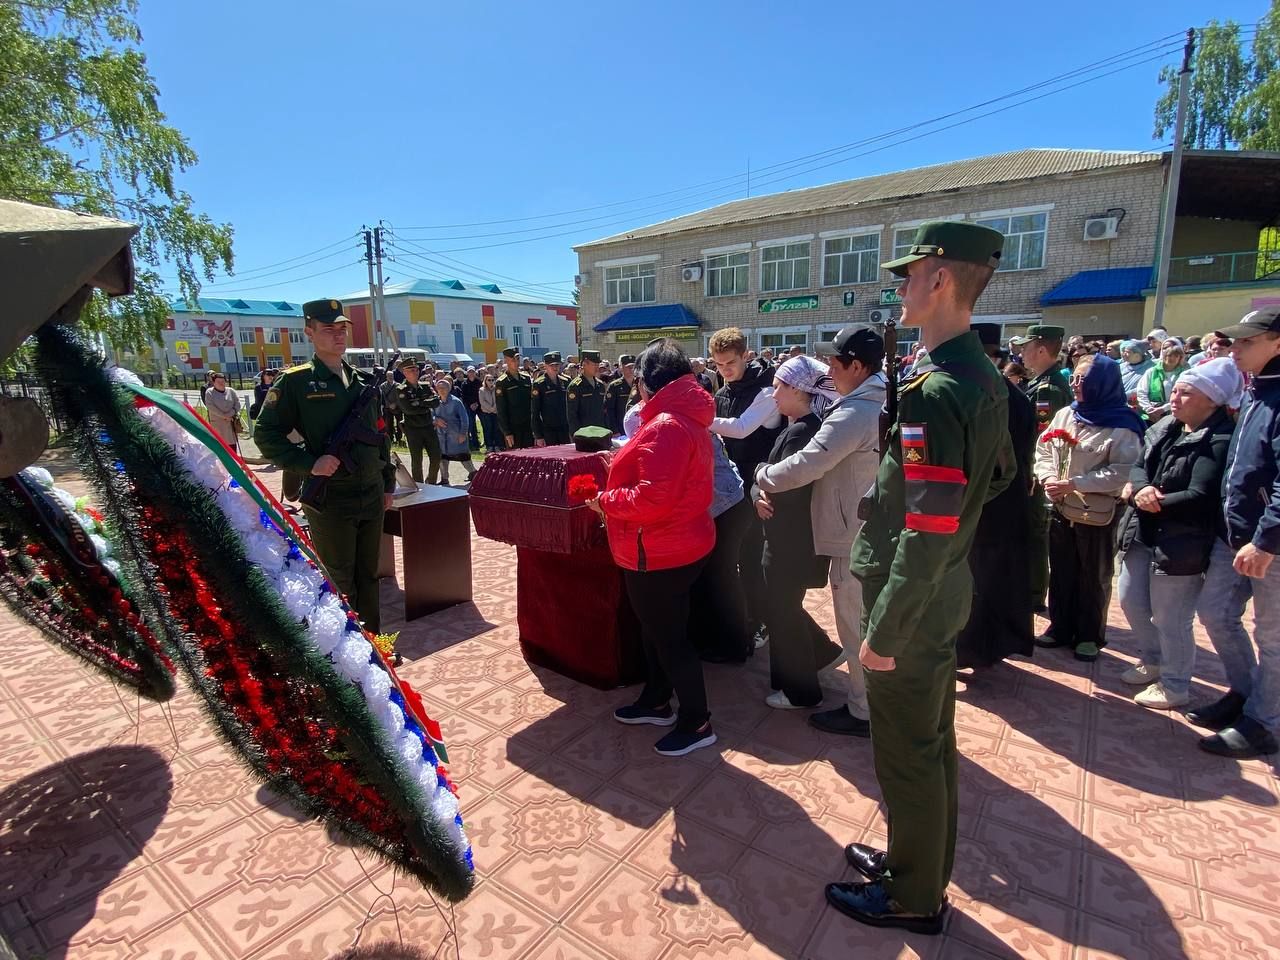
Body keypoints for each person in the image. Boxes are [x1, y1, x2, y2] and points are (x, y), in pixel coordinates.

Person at [829, 221, 1012, 934]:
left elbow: (928, 525)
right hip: (939, 593)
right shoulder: (977, 375)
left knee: (909, 754)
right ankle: (917, 863)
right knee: (931, 745)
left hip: (910, 603)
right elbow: (993, 484)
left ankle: (913, 896)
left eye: (909, 274)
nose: (900, 285)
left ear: (940, 279)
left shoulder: (939, 390)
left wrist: (884, 629)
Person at [587, 338, 717, 758]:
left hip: (659, 550)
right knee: (657, 631)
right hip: (676, 543)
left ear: (645, 383)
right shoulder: (678, 415)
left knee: (671, 639)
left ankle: (697, 722)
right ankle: (657, 700)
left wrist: (604, 500)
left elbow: (650, 500)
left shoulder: (666, 424)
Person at [753, 326, 884, 735]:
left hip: (853, 534)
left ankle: (864, 711)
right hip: (864, 524)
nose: (829, 369)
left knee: (855, 624)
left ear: (857, 366)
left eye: (835, 361)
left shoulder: (855, 411)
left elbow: (808, 463)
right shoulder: (872, 400)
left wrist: (762, 476)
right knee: (863, 623)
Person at [254, 298, 394, 633]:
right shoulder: (296, 382)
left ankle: (375, 646)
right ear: (310, 332)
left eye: (342, 327)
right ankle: (345, 652)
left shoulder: (362, 382)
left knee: (368, 575)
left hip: (371, 493)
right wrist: (309, 463)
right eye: (328, 328)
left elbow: (380, 436)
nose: (338, 334)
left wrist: (387, 482)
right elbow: (265, 434)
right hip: (331, 497)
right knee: (339, 579)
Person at [1117, 358, 1239, 709]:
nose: (1175, 397)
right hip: (1144, 527)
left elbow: (1202, 493)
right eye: (1176, 390)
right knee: (1130, 599)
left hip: (1182, 539)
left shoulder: (1219, 438)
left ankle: (1175, 683)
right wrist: (1141, 489)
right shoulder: (1169, 425)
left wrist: (1153, 499)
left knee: (1172, 616)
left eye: (1187, 392)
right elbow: (1139, 465)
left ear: (1211, 400)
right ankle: (1152, 659)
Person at [1191, 306, 1280, 758]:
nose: (1235, 350)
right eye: (1235, 342)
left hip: (1268, 542)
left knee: (1272, 634)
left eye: (1248, 342)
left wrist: (1267, 540)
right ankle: (1247, 696)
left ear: (1277, 344)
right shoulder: (1255, 391)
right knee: (1217, 613)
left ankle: (1266, 722)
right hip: (1236, 534)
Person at [1033, 354, 1143, 662]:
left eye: (1084, 380)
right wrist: (1049, 477)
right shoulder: (1067, 414)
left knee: (1093, 574)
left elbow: (1124, 470)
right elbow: (1043, 449)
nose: (1076, 386)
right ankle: (1060, 626)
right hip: (1060, 506)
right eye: (1075, 379)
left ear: (1103, 383)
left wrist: (1076, 483)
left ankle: (1089, 635)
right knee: (1062, 569)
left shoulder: (1122, 424)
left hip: (1097, 513)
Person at [751, 355, 845, 709]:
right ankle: (820, 654)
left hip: (789, 540)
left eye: (778, 387)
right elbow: (767, 477)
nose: (773, 394)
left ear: (797, 389)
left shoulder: (805, 431)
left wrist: (760, 480)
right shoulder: (799, 427)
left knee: (782, 612)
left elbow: (783, 484)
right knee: (782, 607)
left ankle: (801, 691)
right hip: (784, 535)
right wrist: (757, 489)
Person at [955, 323, 1037, 669]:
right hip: (1008, 499)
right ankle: (991, 646)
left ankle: (975, 649)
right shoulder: (1009, 392)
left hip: (987, 501)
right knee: (996, 577)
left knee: (980, 579)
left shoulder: (984, 394)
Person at [711, 326, 783, 649]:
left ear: (746, 356)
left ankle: (764, 621)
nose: (725, 370)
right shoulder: (724, 392)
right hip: (730, 489)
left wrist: (697, 416)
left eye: (731, 363)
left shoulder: (767, 391)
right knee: (736, 558)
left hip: (758, 489)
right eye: (719, 365)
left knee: (754, 559)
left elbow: (740, 429)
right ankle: (746, 616)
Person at [1009, 324, 1072, 612]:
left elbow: (1043, 437)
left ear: (1042, 349)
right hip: (1033, 470)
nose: (1021, 353)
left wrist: (1034, 471)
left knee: (1035, 534)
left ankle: (1033, 595)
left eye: (1026, 347)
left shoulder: (1048, 388)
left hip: (1038, 472)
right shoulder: (1041, 382)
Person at [395, 359, 442, 484]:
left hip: (428, 426)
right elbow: (408, 409)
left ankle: (431, 482)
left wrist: (419, 403)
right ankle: (419, 484)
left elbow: (436, 402)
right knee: (417, 460)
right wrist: (426, 404)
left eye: (416, 369)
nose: (415, 372)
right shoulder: (401, 389)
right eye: (411, 370)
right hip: (413, 428)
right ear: (404, 372)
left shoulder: (425, 386)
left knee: (436, 456)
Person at [433, 376, 476, 486]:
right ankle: (444, 478)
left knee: (463, 457)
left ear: (449, 388)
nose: (441, 390)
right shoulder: (435, 402)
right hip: (442, 437)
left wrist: (463, 433)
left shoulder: (456, 402)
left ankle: (474, 474)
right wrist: (436, 420)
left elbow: (464, 418)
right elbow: (430, 415)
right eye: (439, 388)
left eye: (444, 388)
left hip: (456, 435)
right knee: (443, 458)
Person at [1137, 338, 1189, 424]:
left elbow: (1183, 395)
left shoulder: (1184, 373)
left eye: (1176, 356)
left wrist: (1163, 409)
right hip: (1150, 414)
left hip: (1174, 415)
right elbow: (1141, 391)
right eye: (1169, 355)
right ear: (1163, 356)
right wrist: (1149, 409)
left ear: (1180, 358)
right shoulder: (1152, 371)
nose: (1171, 358)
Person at [494, 347, 534, 448]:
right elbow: (501, 410)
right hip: (513, 427)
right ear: (506, 361)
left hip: (528, 426)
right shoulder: (502, 382)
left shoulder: (526, 378)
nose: (516, 362)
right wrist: (507, 432)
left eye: (517, 359)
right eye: (513, 360)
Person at [531, 351, 572, 445]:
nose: (555, 367)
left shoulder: (566, 381)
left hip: (564, 428)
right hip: (548, 430)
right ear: (545, 365)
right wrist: (538, 436)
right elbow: (535, 412)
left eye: (557, 365)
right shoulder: (539, 384)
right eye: (552, 365)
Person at [567, 350, 609, 433]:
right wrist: (576, 434)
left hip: (600, 430)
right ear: (584, 365)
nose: (597, 367)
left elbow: (604, 410)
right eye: (594, 364)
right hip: (584, 432)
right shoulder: (575, 386)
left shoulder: (600, 385)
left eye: (598, 364)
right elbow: (572, 414)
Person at [203, 372, 242, 451]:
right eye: (218, 382)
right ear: (214, 382)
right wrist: (224, 416)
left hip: (230, 423)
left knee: (232, 446)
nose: (221, 384)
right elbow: (211, 407)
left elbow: (237, 404)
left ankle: (233, 462)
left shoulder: (231, 391)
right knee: (220, 445)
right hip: (218, 424)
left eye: (223, 381)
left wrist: (230, 414)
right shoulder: (209, 392)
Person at [605, 354, 637, 434]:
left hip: (637, 428)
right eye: (628, 367)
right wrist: (614, 430)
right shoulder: (614, 386)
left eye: (633, 366)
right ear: (621, 368)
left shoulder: (639, 384)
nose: (631, 369)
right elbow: (609, 410)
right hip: (620, 428)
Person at [478, 372, 501, 453]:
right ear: (485, 381)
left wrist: (494, 409)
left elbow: (498, 400)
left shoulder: (497, 389)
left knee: (496, 429)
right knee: (488, 430)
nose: (491, 381)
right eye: (489, 380)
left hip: (495, 412)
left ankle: (497, 446)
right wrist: (490, 409)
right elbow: (482, 401)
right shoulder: (481, 390)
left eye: (492, 380)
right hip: (486, 413)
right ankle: (489, 446)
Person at [461, 366, 483, 450]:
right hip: (469, 407)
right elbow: (464, 396)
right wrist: (471, 404)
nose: (471, 373)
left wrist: (477, 403)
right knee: (472, 425)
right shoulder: (464, 384)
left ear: (475, 372)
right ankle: (475, 444)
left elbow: (480, 394)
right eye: (469, 372)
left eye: (472, 371)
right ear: (467, 373)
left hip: (479, 406)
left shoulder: (479, 382)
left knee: (484, 425)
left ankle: (486, 443)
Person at [379, 368, 402, 445]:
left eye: (391, 375)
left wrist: (395, 404)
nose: (390, 377)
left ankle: (399, 438)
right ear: (386, 377)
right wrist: (389, 404)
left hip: (398, 408)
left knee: (399, 424)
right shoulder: (383, 386)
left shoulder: (398, 385)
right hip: (388, 408)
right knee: (389, 424)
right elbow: (383, 397)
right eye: (389, 376)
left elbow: (400, 396)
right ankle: (390, 438)